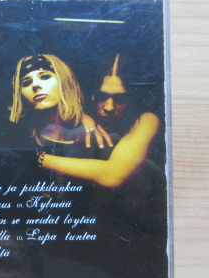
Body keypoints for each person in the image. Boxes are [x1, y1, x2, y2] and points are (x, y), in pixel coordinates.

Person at [31, 54, 162, 189]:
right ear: (92, 95)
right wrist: (81, 115)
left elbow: (113, 175)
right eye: (102, 96)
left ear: (132, 98)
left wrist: (38, 158)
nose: (109, 107)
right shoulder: (81, 112)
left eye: (120, 99)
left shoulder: (148, 120)